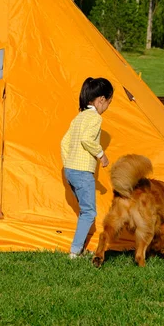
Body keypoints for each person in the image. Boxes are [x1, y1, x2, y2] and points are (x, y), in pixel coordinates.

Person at [61, 77, 114, 259]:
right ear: (101, 99)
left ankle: (80, 248)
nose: (107, 107)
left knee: (85, 210)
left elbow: (64, 143)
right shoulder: (95, 118)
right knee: (89, 212)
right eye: (108, 103)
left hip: (70, 171)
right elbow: (87, 140)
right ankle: (75, 252)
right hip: (83, 172)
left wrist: (69, 163)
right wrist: (102, 155)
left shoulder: (79, 117)